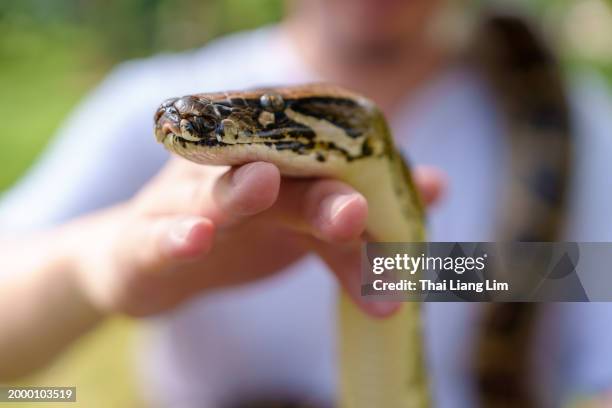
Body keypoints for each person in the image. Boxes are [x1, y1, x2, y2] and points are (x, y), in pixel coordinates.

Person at [1, 0, 612, 407]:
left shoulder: (585, 126)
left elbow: (593, 288)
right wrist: (94, 266)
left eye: (266, 119)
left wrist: (403, 264)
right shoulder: (140, 100)